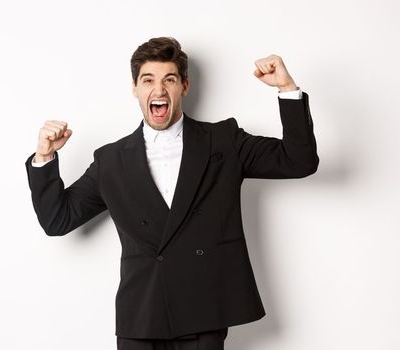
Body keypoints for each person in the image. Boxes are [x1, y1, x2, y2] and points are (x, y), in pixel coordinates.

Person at [24, 37, 318, 350]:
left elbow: (298, 160)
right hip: (140, 320)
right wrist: (44, 157)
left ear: (184, 87)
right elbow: (57, 220)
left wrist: (287, 88)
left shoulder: (223, 141)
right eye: (148, 80)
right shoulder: (110, 161)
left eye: (170, 79)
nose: (159, 89)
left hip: (203, 315)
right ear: (135, 89)